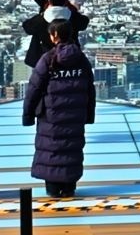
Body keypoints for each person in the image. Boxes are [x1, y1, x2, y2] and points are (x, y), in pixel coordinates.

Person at [23, 19, 96, 198]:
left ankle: (53, 188)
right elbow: (90, 88)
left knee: (52, 149)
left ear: (54, 35)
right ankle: (69, 187)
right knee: (71, 148)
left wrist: (28, 115)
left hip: (51, 115)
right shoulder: (81, 59)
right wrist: (88, 115)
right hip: (75, 116)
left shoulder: (48, 59)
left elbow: (34, 89)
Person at [9, 0, 90, 67]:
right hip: (69, 60)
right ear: (65, 0)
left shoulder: (39, 20)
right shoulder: (73, 17)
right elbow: (84, 22)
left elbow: (27, 26)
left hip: (44, 61)